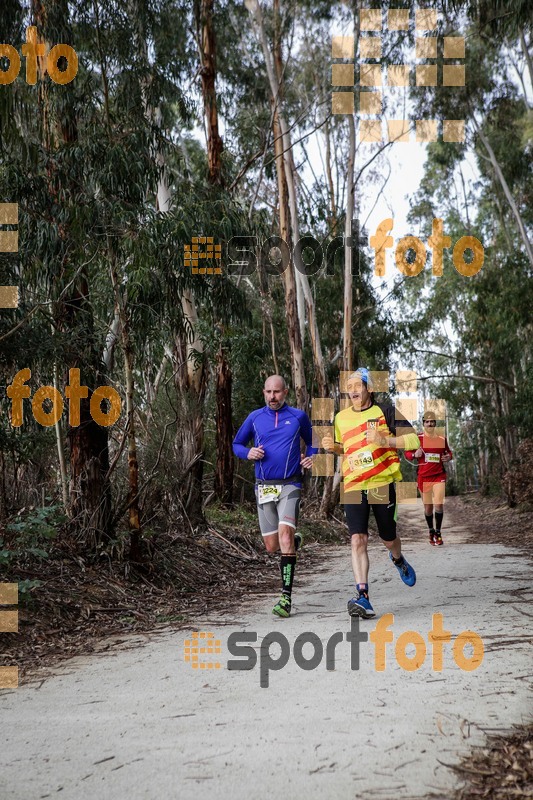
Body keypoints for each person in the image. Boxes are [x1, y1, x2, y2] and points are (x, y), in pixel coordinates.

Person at [322, 368, 420, 619]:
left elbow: (414, 442)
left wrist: (385, 441)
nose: (353, 390)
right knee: (358, 539)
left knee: (388, 538)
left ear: (370, 389)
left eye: (358, 385)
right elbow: (345, 449)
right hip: (353, 484)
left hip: (381, 483)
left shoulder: (385, 411)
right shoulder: (341, 418)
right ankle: (363, 596)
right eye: (349, 386)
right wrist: (334, 447)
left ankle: (397, 558)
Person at [232, 375, 315, 618]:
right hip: (264, 487)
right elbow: (236, 443)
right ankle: (292, 542)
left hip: (290, 484)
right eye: (268, 392)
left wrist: (312, 457)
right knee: (272, 546)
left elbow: (313, 443)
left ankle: (285, 598)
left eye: (276, 392)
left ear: (285, 392)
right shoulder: (255, 418)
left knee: (285, 535)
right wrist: (248, 453)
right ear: (263, 392)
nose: (272, 397)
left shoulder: (298, 416)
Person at [405, 411, 453, 546]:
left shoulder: (441, 439)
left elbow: (448, 452)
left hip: (439, 475)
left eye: (432, 422)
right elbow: (407, 453)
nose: (430, 424)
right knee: (428, 508)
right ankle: (431, 530)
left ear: (435, 424)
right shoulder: (417, 438)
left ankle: (438, 532)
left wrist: (449, 457)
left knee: (438, 504)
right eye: (427, 422)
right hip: (423, 477)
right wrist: (415, 454)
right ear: (423, 424)